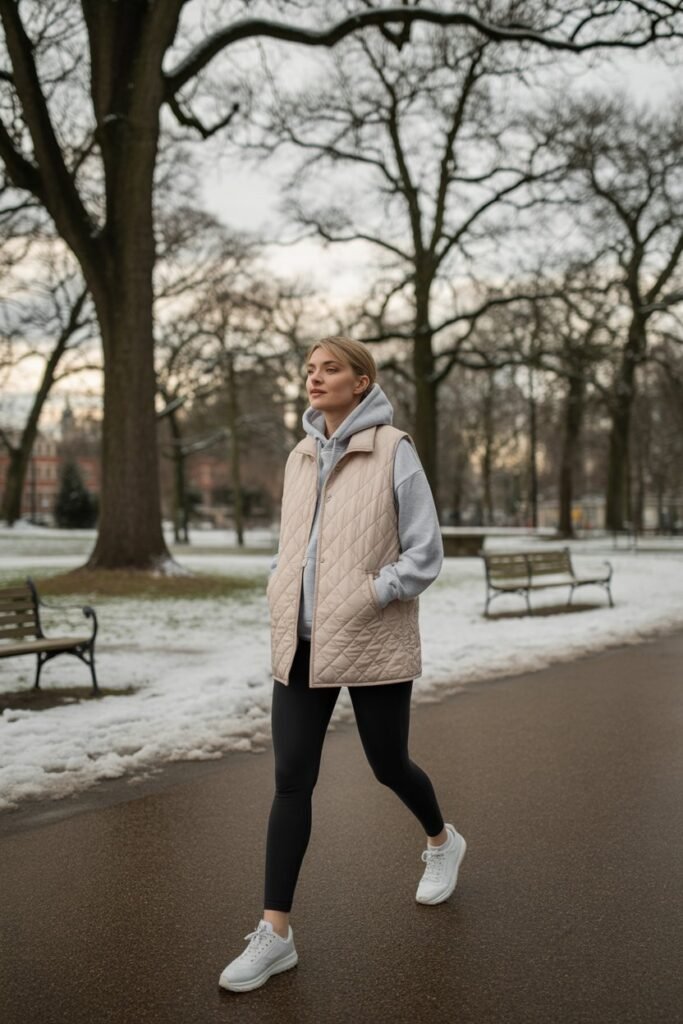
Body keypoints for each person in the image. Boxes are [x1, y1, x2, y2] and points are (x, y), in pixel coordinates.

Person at [219, 337, 466, 993]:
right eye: (308, 368)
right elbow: (290, 548)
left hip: (370, 634)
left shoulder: (394, 449)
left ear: (362, 382)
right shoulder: (299, 456)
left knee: (388, 764)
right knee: (291, 778)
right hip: (299, 642)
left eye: (329, 368)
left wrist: (370, 593)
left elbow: (425, 552)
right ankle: (274, 934)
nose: (314, 377)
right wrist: (280, 588)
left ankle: (441, 841)